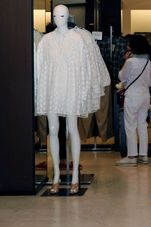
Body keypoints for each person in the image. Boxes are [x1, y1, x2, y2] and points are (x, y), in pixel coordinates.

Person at [36, 5, 106, 195]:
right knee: (53, 130)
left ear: (68, 16)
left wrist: (83, 90)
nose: (59, 19)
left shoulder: (78, 38)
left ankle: (74, 175)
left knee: (72, 129)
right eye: (56, 16)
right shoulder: (46, 40)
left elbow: (85, 68)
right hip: (51, 91)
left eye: (63, 15)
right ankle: (57, 176)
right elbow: (40, 69)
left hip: (71, 90)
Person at [115, 35, 151, 167]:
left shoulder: (130, 61)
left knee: (130, 125)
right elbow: (149, 81)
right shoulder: (148, 62)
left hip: (133, 96)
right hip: (145, 96)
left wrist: (126, 60)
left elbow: (121, 76)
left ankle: (131, 156)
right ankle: (144, 155)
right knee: (142, 125)